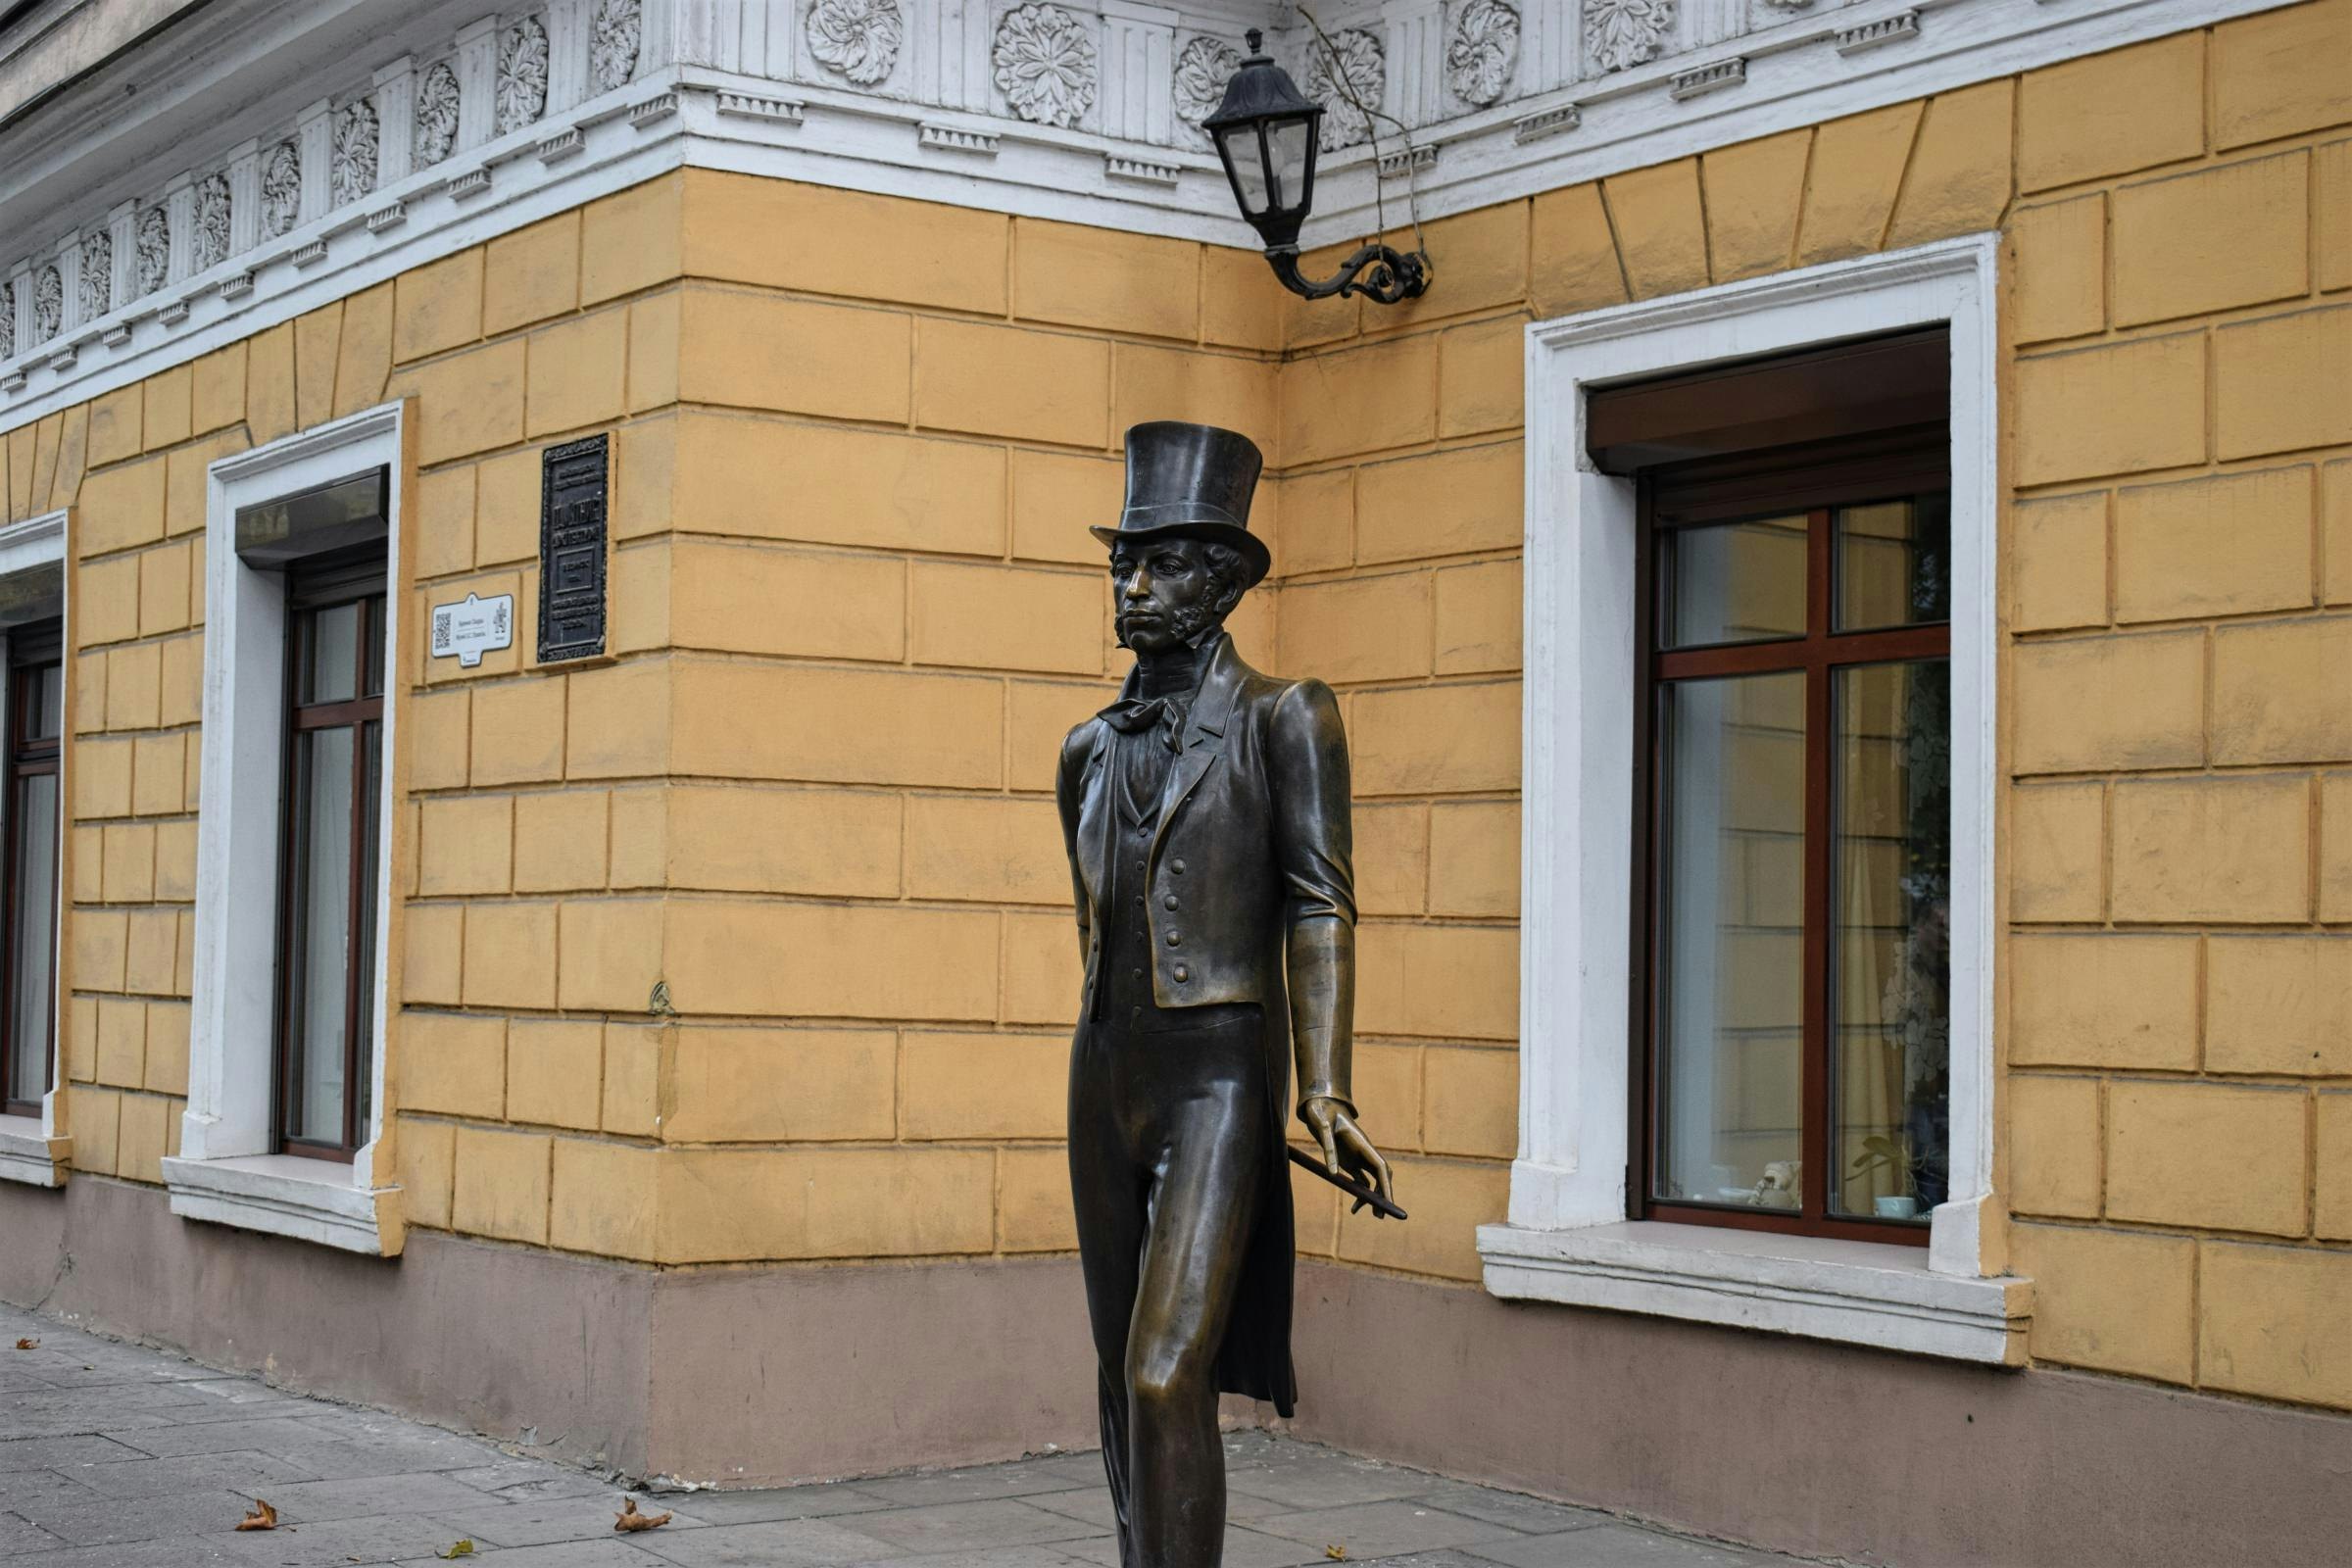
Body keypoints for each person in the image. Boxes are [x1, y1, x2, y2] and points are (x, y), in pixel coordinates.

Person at [1057, 420, 1396, 1568]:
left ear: (1220, 586)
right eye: (1121, 563)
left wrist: (1328, 1089)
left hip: (1219, 1077)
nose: (1131, 585)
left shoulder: (1284, 714)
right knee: (1119, 1378)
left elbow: (1319, 902)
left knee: (1166, 1369)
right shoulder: (1085, 752)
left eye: (1157, 566)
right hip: (1105, 1071)